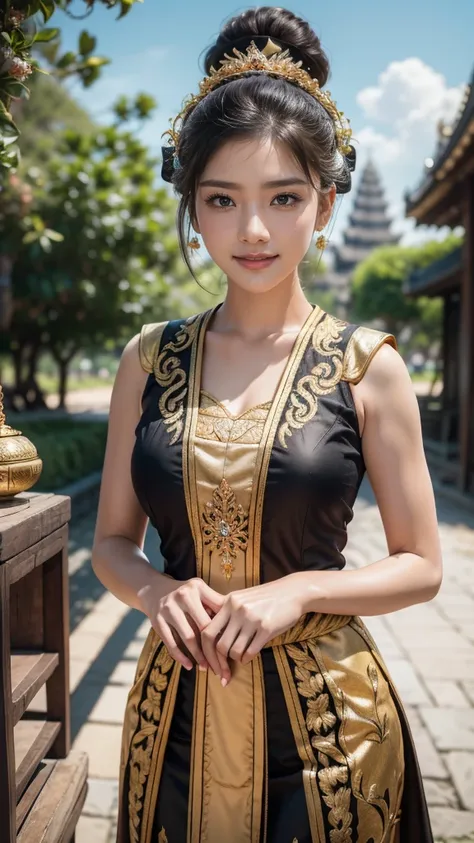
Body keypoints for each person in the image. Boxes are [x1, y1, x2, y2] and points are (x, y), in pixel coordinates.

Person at [91, 7, 442, 842]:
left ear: (324, 204)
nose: (253, 230)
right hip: (173, 715)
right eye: (222, 199)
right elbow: (109, 541)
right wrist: (158, 590)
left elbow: (424, 564)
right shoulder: (149, 359)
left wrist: (301, 588)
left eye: (283, 197)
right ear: (194, 206)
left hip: (327, 733)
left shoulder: (367, 366)